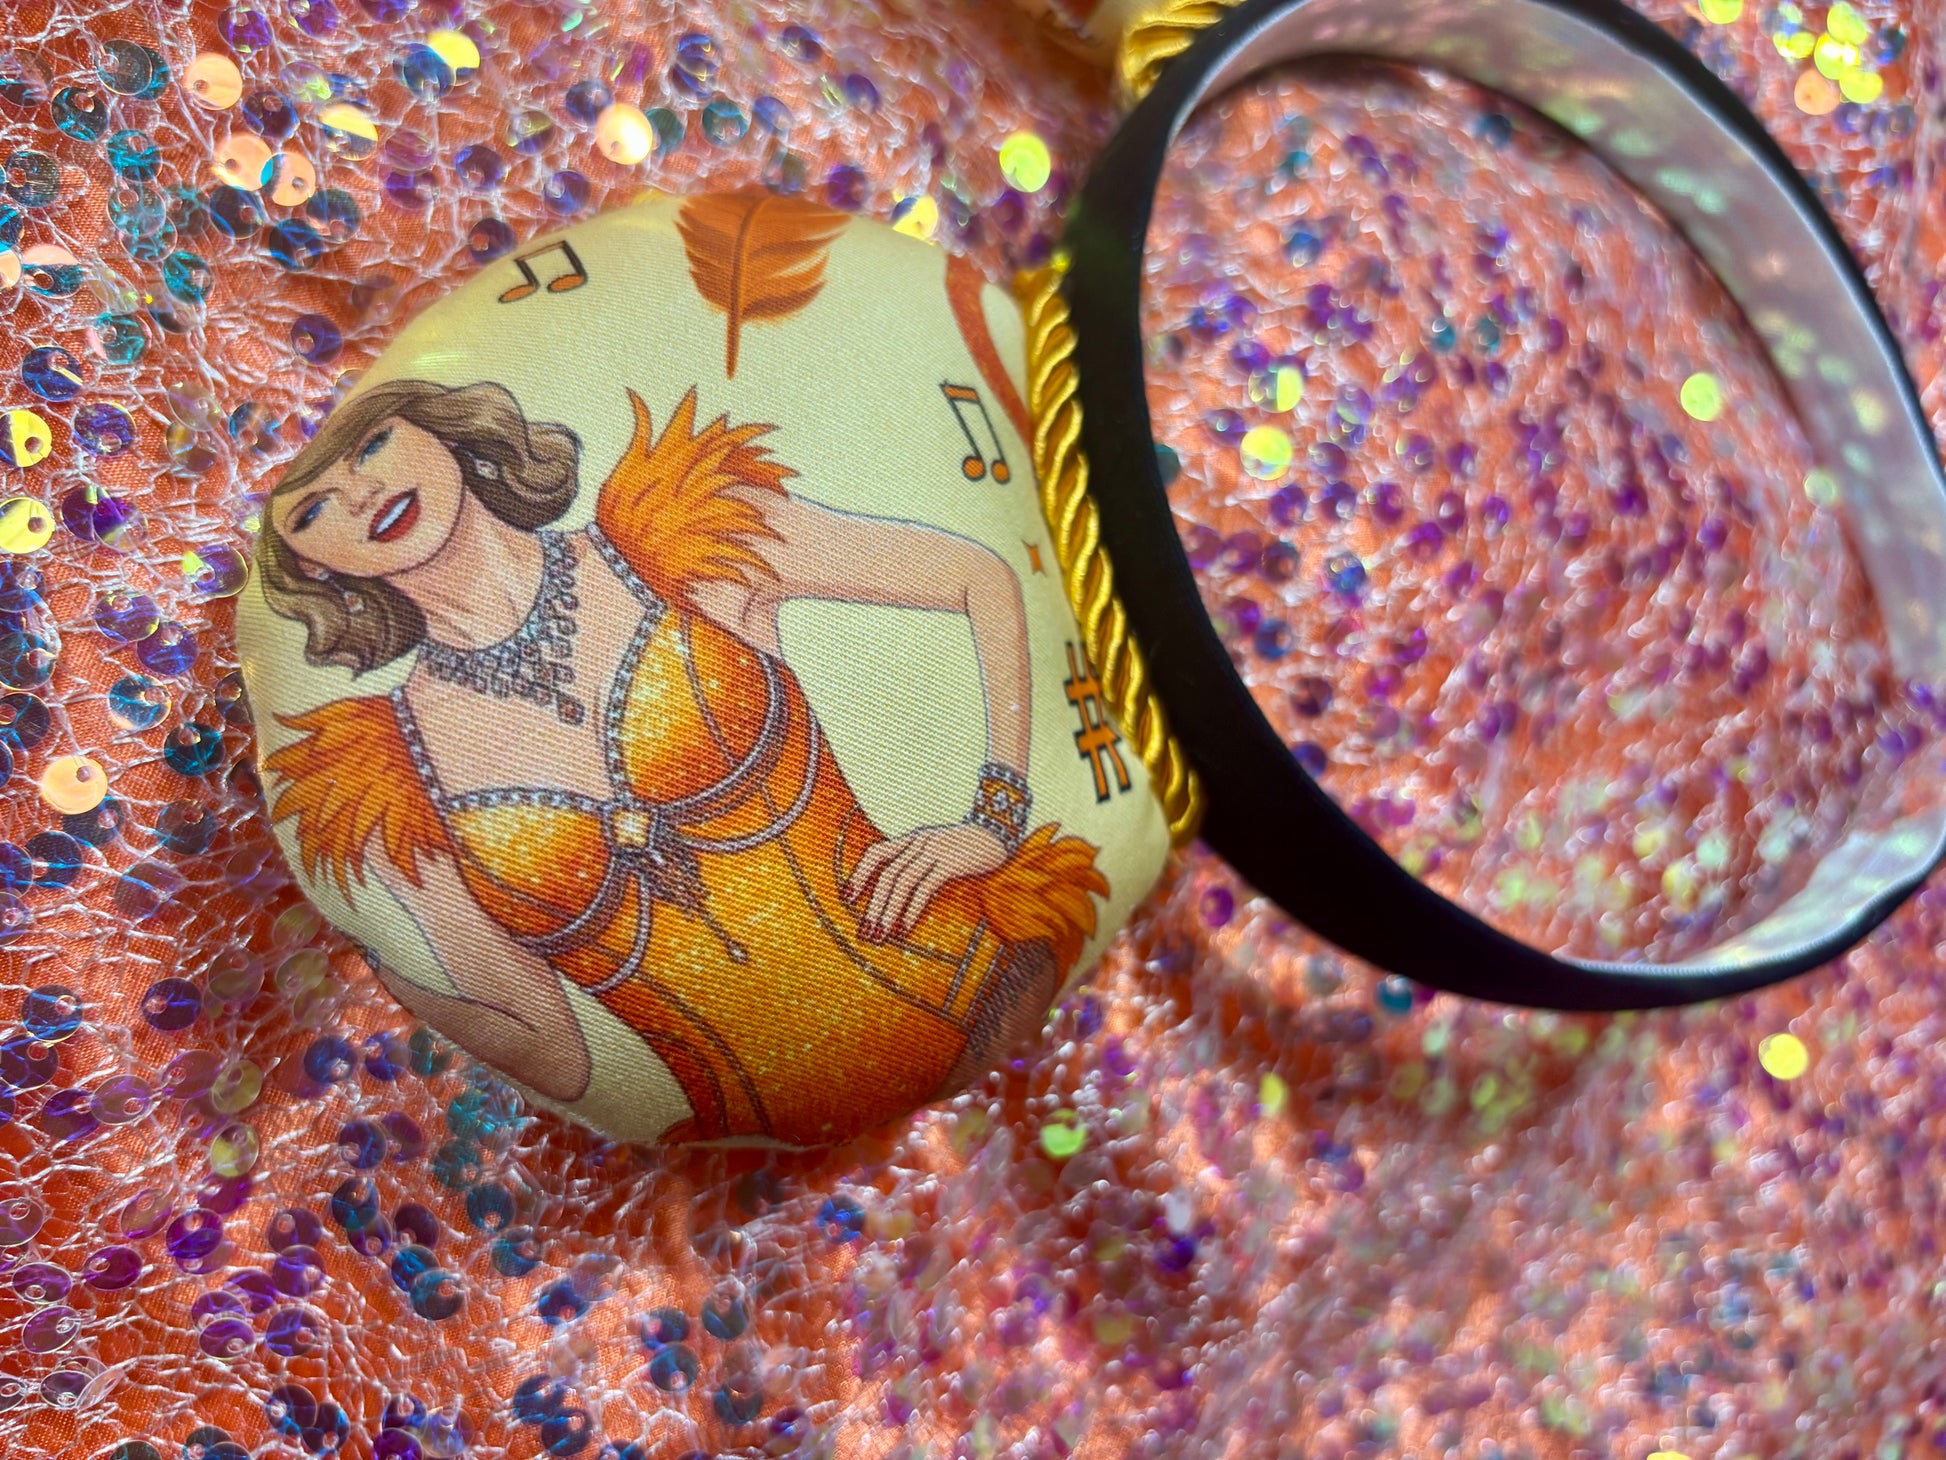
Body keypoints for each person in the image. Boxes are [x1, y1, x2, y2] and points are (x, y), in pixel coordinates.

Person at [255, 378, 1108, 1145]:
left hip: (993, 991)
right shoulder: (381, 779)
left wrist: (992, 820)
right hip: (777, 1162)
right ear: (311, 564)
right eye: (312, 509)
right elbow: (558, 1057)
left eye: (372, 445)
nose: (361, 494)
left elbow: (974, 577)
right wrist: (380, 970)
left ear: (442, 432)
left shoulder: (676, 535)